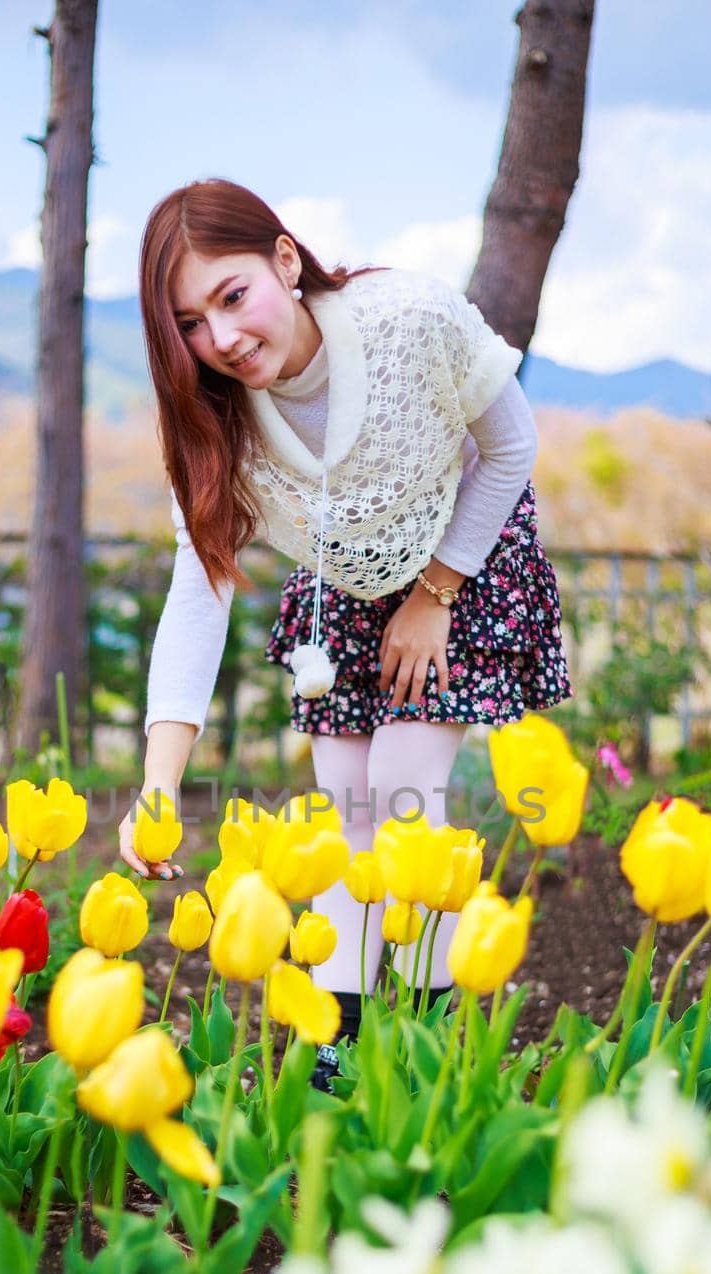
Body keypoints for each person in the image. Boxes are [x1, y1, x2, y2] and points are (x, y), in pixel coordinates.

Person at [119, 178, 571, 1081]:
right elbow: (196, 592)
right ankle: (342, 1049)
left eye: (232, 296)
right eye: (191, 324)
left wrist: (434, 591)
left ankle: (428, 1045)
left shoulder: (406, 319)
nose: (223, 340)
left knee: (404, 788)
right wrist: (159, 783)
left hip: (463, 551)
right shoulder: (215, 423)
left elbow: (511, 448)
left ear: (284, 260)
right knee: (345, 819)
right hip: (345, 596)